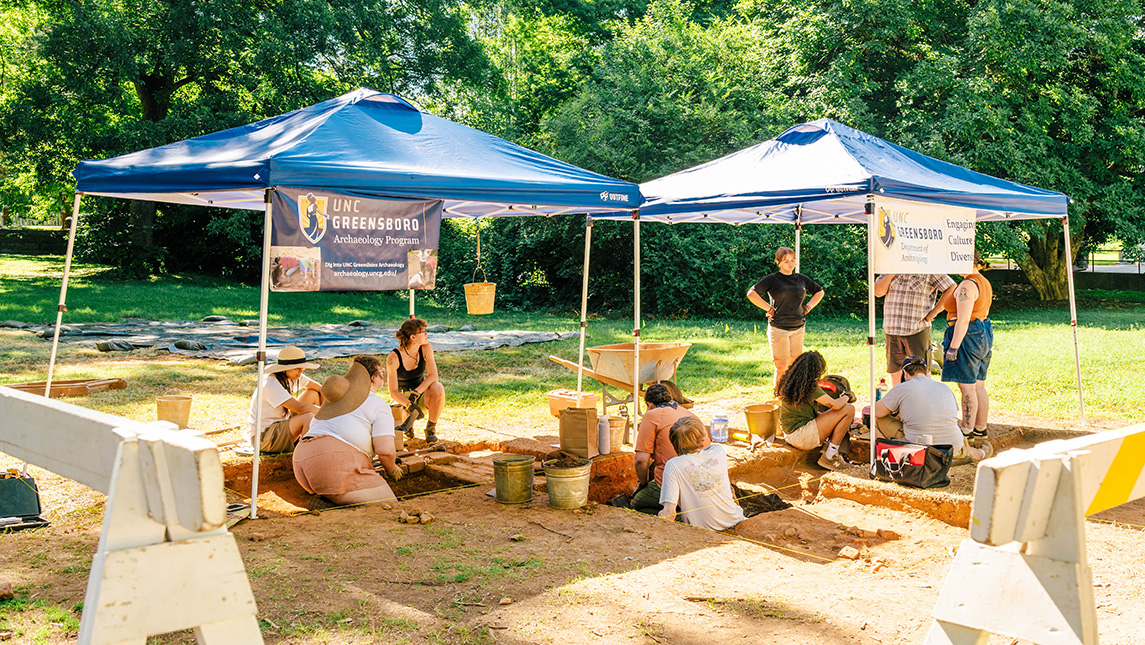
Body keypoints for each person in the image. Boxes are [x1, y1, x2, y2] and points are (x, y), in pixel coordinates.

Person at [293, 355, 401, 506]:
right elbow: (386, 451)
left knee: (337, 490)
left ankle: (330, 499)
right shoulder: (377, 404)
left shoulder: (332, 402)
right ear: (373, 378)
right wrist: (392, 469)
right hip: (332, 465)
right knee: (391, 505)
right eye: (381, 373)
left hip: (301, 462)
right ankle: (336, 502)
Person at [874, 355, 992, 462]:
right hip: (953, 447)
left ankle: (885, 448)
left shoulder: (902, 388)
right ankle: (977, 453)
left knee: (876, 419)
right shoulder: (944, 388)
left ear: (905, 373)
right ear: (927, 372)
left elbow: (876, 412)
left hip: (918, 449)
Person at [746, 246, 825, 387]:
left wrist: (809, 307)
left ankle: (792, 395)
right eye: (786, 261)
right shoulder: (772, 279)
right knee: (781, 366)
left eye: (792, 260)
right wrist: (768, 308)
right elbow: (751, 294)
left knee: (794, 366)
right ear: (778, 262)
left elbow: (819, 292)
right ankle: (779, 396)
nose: (790, 264)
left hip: (798, 328)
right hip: (779, 328)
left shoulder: (801, 279)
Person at [940, 253, 994, 440]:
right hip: (983, 330)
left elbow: (963, 320)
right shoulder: (983, 281)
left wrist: (953, 348)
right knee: (979, 385)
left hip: (968, 335)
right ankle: (981, 427)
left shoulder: (967, 285)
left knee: (967, 387)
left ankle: (967, 430)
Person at [659, 416, 745, 530]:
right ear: (702, 441)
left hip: (702, 531)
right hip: (735, 521)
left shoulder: (673, 465)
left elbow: (669, 512)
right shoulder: (718, 452)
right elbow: (707, 447)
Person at [775, 350, 855, 470]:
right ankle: (830, 456)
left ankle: (829, 451)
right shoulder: (810, 387)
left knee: (831, 414)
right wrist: (847, 396)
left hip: (790, 435)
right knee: (849, 409)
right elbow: (837, 406)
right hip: (802, 437)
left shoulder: (789, 382)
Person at [873, 273, 956, 385]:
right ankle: (899, 400)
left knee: (922, 371)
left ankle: (924, 401)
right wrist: (892, 272)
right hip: (891, 327)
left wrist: (935, 311)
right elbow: (878, 292)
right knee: (895, 371)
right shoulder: (891, 266)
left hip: (917, 327)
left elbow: (951, 287)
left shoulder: (925, 265)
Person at [630, 384, 697, 515]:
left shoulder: (651, 415)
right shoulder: (687, 413)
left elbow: (640, 460)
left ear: (649, 405)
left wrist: (643, 484)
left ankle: (680, 518)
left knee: (636, 504)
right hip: (698, 479)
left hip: (674, 481)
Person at [247, 345, 323, 453]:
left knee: (313, 393)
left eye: (302, 368)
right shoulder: (270, 384)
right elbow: (300, 408)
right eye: (297, 368)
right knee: (308, 417)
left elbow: (322, 389)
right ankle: (307, 454)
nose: (300, 371)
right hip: (264, 438)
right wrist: (327, 414)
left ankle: (318, 437)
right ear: (284, 369)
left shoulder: (293, 376)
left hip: (281, 426)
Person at [387, 318, 445, 443]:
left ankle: (430, 429)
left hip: (420, 392)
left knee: (438, 387)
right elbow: (393, 392)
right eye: (423, 331)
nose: (426, 334)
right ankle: (408, 426)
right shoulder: (393, 357)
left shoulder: (425, 348)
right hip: (402, 396)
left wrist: (416, 393)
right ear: (413, 337)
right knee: (402, 417)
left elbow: (433, 376)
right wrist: (409, 404)